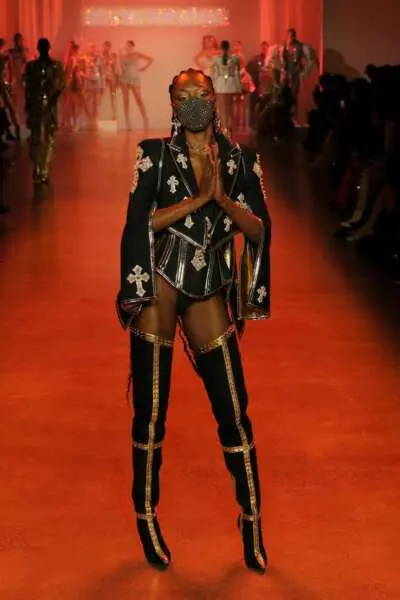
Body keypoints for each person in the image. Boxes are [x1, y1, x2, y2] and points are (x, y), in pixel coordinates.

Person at [117, 68, 271, 572]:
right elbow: (139, 221)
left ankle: (251, 518)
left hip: (208, 285)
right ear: (171, 101)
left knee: (233, 407)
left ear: (214, 97)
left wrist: (222, 198)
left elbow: (259, 229)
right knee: (151, 409)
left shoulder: (240, 159)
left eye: (200, 94)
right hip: (161, 280)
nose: (192, 102)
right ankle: (146, 515)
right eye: (182, 96)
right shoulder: (155, 155)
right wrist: (198, 200)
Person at [25, 38, 65, 183]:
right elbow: (28, 87)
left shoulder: (55, 66)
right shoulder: (33, 67)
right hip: (38, 104)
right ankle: (40, 168)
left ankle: (43, 169)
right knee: (38, 138)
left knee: (46, 137)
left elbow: (61, 84)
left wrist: (54, 96)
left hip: (46, 104)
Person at [120, 40, 153, 130]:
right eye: (126, 46)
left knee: (138, 99)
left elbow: (151, 60)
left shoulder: (137, 54)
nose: (127, 47)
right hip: (125, 79)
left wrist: (144, 68)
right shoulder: (123, 56)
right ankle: (128, 122)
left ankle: (145, 119)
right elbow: (122, 69)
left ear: (132, 46)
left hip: (134, 79)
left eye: (128, 46)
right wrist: (120, 57)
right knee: (126, 100)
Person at [211, 40, 241, 136]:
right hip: (230, 84)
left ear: (220, 48)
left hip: (220, 84)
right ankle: (228, 129)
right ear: (229, 48)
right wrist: (238, 88)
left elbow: (214, 74)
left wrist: (212, 86)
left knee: (221, 109)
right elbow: (237, 74)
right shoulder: (235, 59)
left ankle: (224, 129)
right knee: (229, 108)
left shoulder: (215, 59)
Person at [246, 41, 269, 128]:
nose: (264, 49)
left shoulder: (270, 59)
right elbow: (250, 67)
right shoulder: (256, 58)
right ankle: (252, 124)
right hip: (257, 86)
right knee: (253, 105)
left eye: (265, 48)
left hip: (267, 87)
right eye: (263, 47)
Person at [0, 38, 20, 139]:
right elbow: (10, 70)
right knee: (7, 106)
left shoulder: (5, 56)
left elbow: (11, 70)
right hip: (1, 83)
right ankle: (13, 129)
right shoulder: (5, 56)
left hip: (1, 83)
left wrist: (11, 81)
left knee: (8, 106)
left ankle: (14, 129)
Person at [7, 33, 29, 119]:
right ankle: (15, 115)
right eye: (17, 40)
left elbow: (25, 64)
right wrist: (11, 79)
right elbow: (10, 67)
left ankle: (22, 115)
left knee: (22, 96)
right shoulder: (11, 52)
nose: (19, 42)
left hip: (22, 76)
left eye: (20, 40)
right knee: (15, 96)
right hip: (15, 77)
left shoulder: (24, 51)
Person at [84, 43, 104, 124]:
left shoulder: (98, 57)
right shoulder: (86, 57)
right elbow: (85, 69)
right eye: (91, 47)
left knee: (96, 101)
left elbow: (101, 70)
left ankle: (95, 119)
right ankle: (89, 118)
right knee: (88, 100)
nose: (92, 48)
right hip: (89, 79)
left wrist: (102, 84)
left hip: (97, 79)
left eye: (93, 47)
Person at [102, 41, 119, 120]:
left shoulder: (113, 56)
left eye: (109, 46)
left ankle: (114, 114)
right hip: (103, 77)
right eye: (106, 46)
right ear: (104, 46)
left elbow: (115, 68)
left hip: (111, 77)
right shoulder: (101, 56)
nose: (108, 47)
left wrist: (116, 79)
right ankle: (99, 113)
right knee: (100, 94)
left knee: (113, 95)